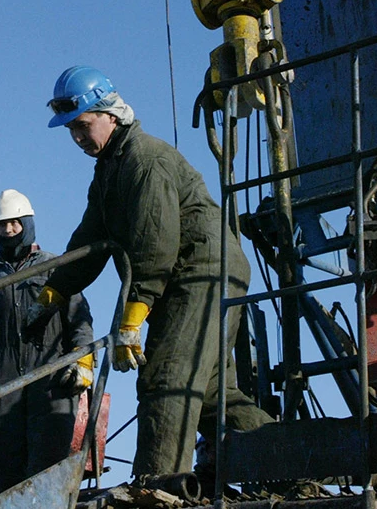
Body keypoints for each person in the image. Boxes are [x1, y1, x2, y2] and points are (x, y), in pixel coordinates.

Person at [24, 66, 273, 479]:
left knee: (167, 378)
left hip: (202, 271)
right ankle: (307, 461)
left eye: (83, 125)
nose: (78, 137)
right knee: (211, 394)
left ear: (111, 114)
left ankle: (157, 487)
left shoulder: (144, 158)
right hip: (195, 275)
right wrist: (55, 290)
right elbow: (91, 238)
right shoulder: (109, 169)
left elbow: (154, 241)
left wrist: (133, 317)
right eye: (71, 130)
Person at [0, 189, 96, 496]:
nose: (8, 230)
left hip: (52, 384)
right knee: (4, 473)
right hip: (3, 388)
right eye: (1, 225)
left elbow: (79, 319)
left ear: (27, 223)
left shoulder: (55, 268)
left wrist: (84, 362)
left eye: (14, 223)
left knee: (47, 470)